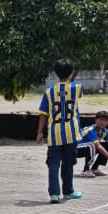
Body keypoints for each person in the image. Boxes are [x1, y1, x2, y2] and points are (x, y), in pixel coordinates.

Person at [37, 58, 83, 203]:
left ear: (55, 72)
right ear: (71, 72)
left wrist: (39, 132)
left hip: (54, 133)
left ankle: (54, 194)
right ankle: (68, 191)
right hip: (71, 132)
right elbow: (74, 93)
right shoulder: (77, 88)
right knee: (68, 163)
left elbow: (43, 114)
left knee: (53, 164)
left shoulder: (49, 92)